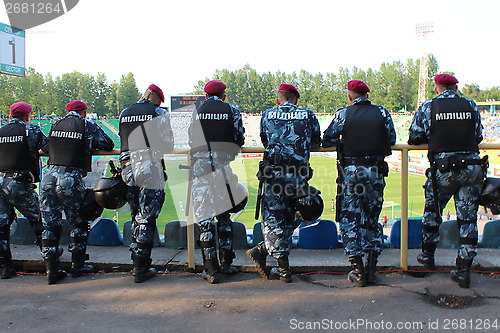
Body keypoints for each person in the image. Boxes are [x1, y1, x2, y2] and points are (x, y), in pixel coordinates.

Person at [408, 74, 484, 288]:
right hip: (471, 168)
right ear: (455, 87)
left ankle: (427, 258)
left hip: (443, 169)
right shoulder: (470, 104)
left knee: (433, 213)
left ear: (436, 88)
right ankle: (463, 270)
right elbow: (477, 135)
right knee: (468, 220)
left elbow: (414, 136)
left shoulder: (429, 106)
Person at [322, 80, 396, 287]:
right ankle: (371, 269)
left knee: (349, 219)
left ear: (350, 96)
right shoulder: (382, 112)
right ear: (367, 94)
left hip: (352, 172)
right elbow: (391, 138)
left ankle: (358, 270)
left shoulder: (344, 114)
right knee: (372, 219)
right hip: (375, 171)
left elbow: (327, 139)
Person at [247, 84, 321, 283]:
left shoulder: (267, 114)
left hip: (274, 177)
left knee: (274, 220)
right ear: (296, 99)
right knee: (304, 212)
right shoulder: (308, 115)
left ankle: (275, 262)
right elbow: (315, 142)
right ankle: (277, 263)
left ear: (279, 99)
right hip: (299, 175)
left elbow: (265, 140)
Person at [40, 100, 114, 284]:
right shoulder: (86, 124)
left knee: (50, 224)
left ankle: (51, 270)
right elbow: (107, 142)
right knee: (79, 221)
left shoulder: (55, 124)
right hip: (69, 177)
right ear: (84, 112)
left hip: (48, 177)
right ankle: (78, 265)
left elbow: (46, 147)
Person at [188, 80, 245, 284]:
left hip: (200, 169)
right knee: (224, 217)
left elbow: (190, 140)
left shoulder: (197, 110)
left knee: (204, 220)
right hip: (223, 169)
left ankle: (211, 271)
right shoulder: (232, 110)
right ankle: (226, 264)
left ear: (205, 96)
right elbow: (239, 138)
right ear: (224, 96)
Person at [119, 84, 174, 283]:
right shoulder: (158, 112)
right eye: (159, 100)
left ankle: (137, 259)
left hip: (126, 169)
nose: (159, 103)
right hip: (149, 166)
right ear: (153, 96)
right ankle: (141, 268)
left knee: (136, 215)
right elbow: (168, 144)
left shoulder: (125, 112)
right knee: (147, 218)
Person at [0, 102, 47, 279]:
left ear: (10, 116)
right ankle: (50, 261)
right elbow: (49, 147)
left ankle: (6, 267)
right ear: (27, 116)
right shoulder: (32, 131)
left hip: (0, 180)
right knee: (39, 220)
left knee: (1, 226)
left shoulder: (1, 131)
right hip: (18, 183)